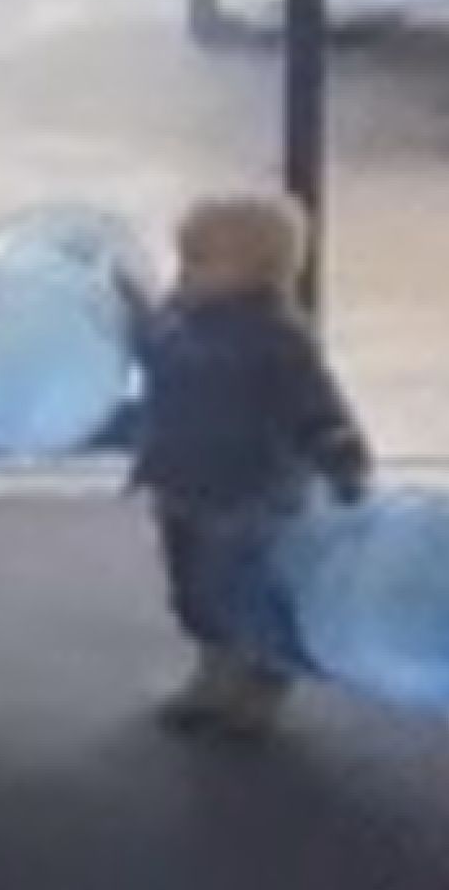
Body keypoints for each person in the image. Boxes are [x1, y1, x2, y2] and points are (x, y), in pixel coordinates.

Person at [120, 189, 372, 737]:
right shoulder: (181, 314)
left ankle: (261, 683)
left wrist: (340, 451)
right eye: (183, 257)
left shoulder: (277, 337)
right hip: (182, 483)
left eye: (200, 261)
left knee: (248, 588)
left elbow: (312, 401)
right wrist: (133, 307)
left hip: (249, 492)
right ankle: (213, 673)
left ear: (259, 272)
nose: (184, 271)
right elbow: (156, 351)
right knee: (193, 587)